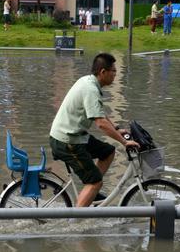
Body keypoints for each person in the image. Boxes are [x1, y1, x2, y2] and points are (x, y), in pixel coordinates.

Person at [49, 53, 140, 207]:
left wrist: (117, 129)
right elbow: (100, 123)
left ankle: (92, 192)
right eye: (113, 71)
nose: (115, 75)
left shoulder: (88, 82)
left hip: (75, 136)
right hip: (67, 141)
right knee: (95, 182)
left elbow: (100, 114)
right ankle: (75, 221)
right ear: (103, 72)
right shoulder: (90, 89)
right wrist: (124, 142)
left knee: (108, 151)